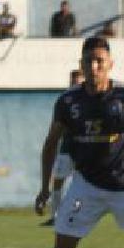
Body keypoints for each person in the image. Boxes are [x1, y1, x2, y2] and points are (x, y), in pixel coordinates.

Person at [34, 37, 124, 248]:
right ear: (81, 65)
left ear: (110, 65)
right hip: (86, 187)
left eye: (99, 62)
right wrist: (44, 188)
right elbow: (51, 143)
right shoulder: (68, 102)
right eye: (88, 61)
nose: (93, 67)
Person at [40, 69, 87, 227]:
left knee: (83, 183)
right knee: (58, 181)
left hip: (84, 150)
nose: (75, 84)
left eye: (78, 81)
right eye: (72, 81)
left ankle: (79, 215)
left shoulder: (92, 101)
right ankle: (56, 216)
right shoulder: (66, 101)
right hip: (67, 148)